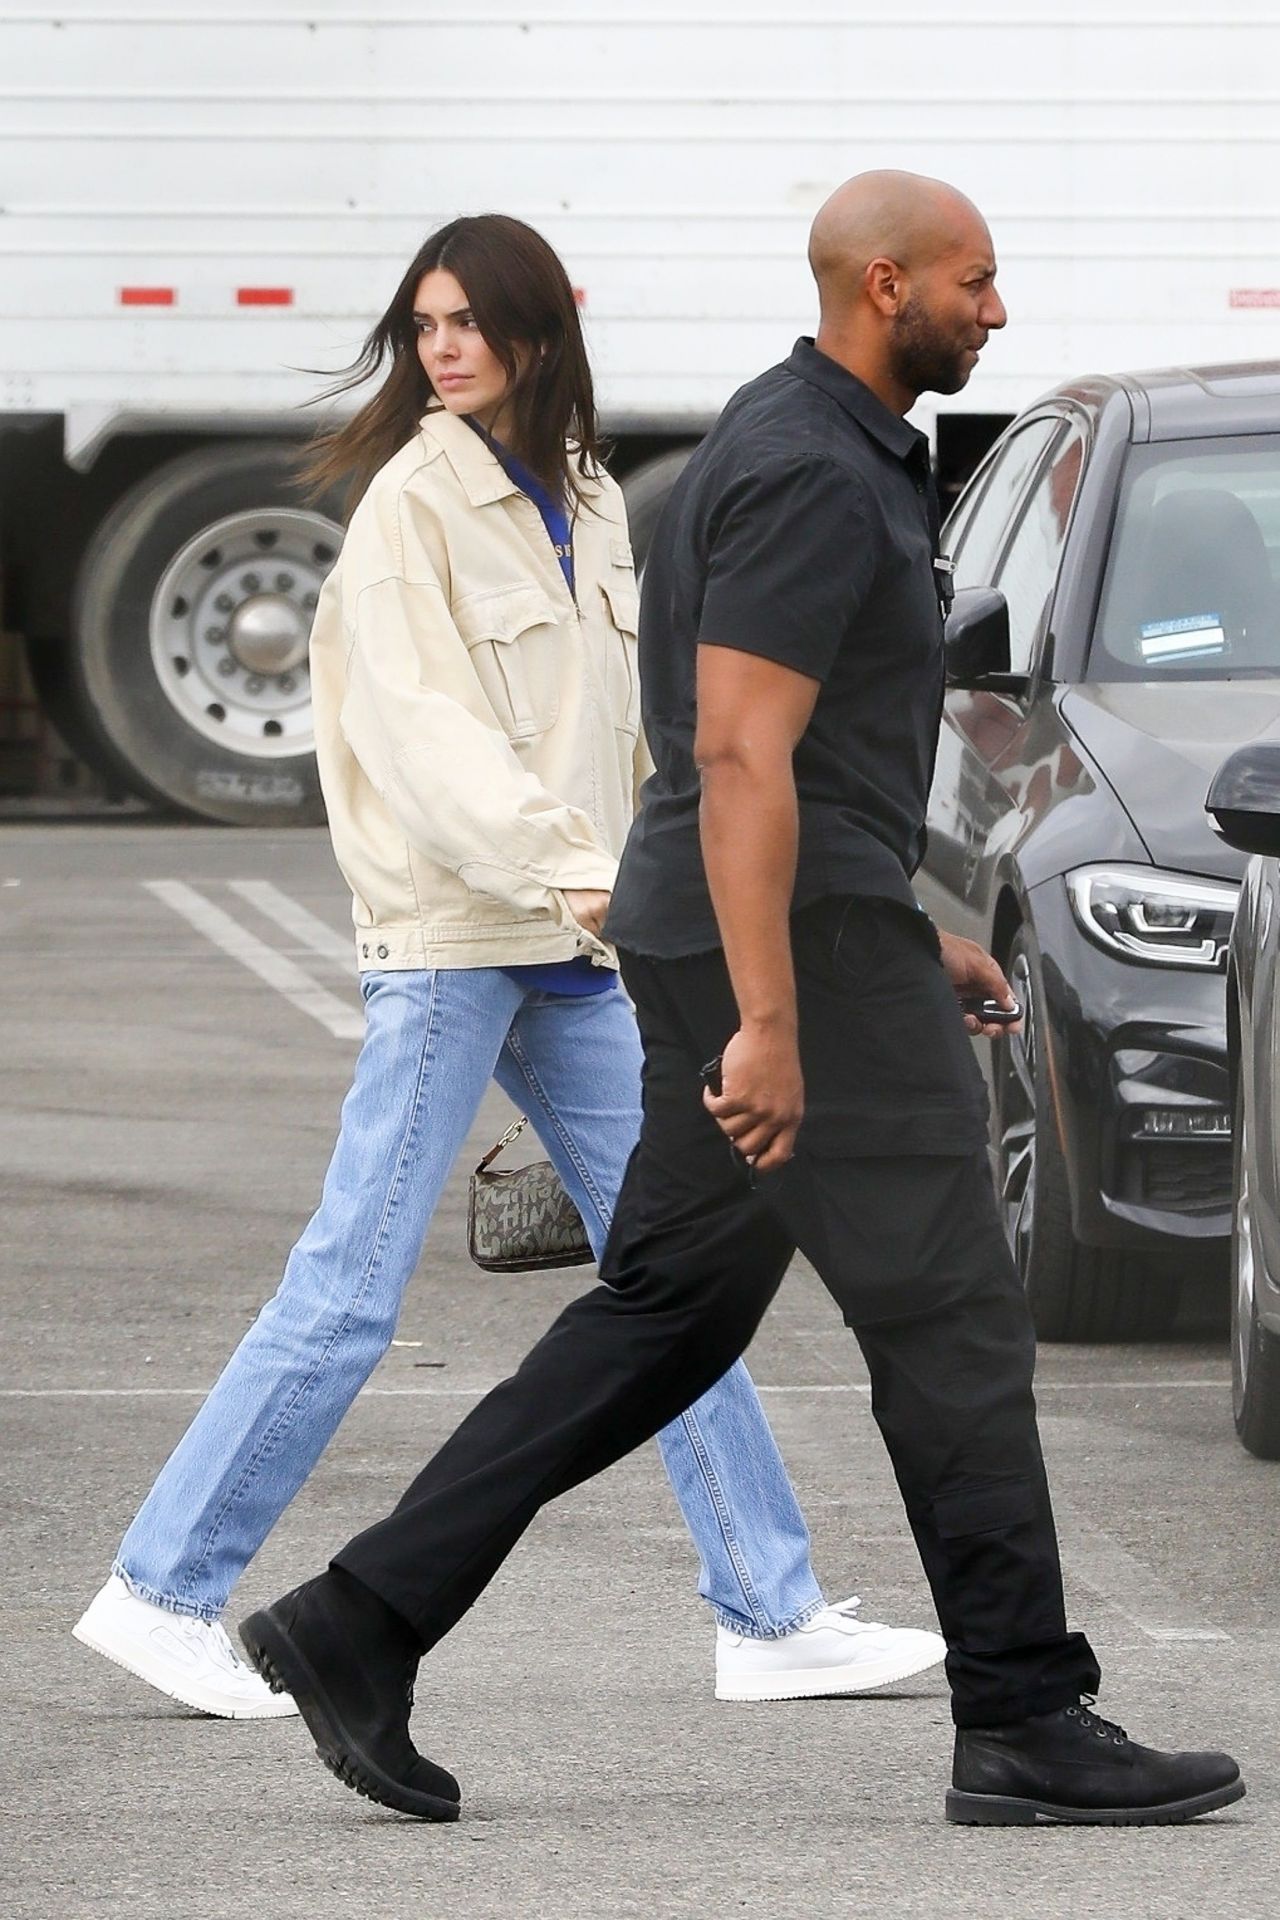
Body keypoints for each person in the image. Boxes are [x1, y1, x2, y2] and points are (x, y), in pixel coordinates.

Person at [238, 173, 1246, 1830]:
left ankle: (357, 1623)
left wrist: (915, 931)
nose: (996, 312)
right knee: (955, 1322)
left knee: (663, 1317)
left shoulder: (801, 443)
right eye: (974, 283)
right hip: (785, 965)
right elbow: (734, 756)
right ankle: (1023, 1716)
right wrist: (778, 1019)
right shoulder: (804, 474)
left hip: (784, 935)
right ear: (881, 281)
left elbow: (810, 765)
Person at [72, 213, 945, 1723]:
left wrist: (648, 874)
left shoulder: (592, 497)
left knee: (678, 1277)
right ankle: (163, 1588)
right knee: (349, 1285)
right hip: (462, 938)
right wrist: (587, 873)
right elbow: (427, 742)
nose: (444, 349)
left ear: (541, 333)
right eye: (425, 327)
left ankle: (768, 1608)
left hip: (574, 938)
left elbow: (631, 721)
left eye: (470, 322)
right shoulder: (412, 506)